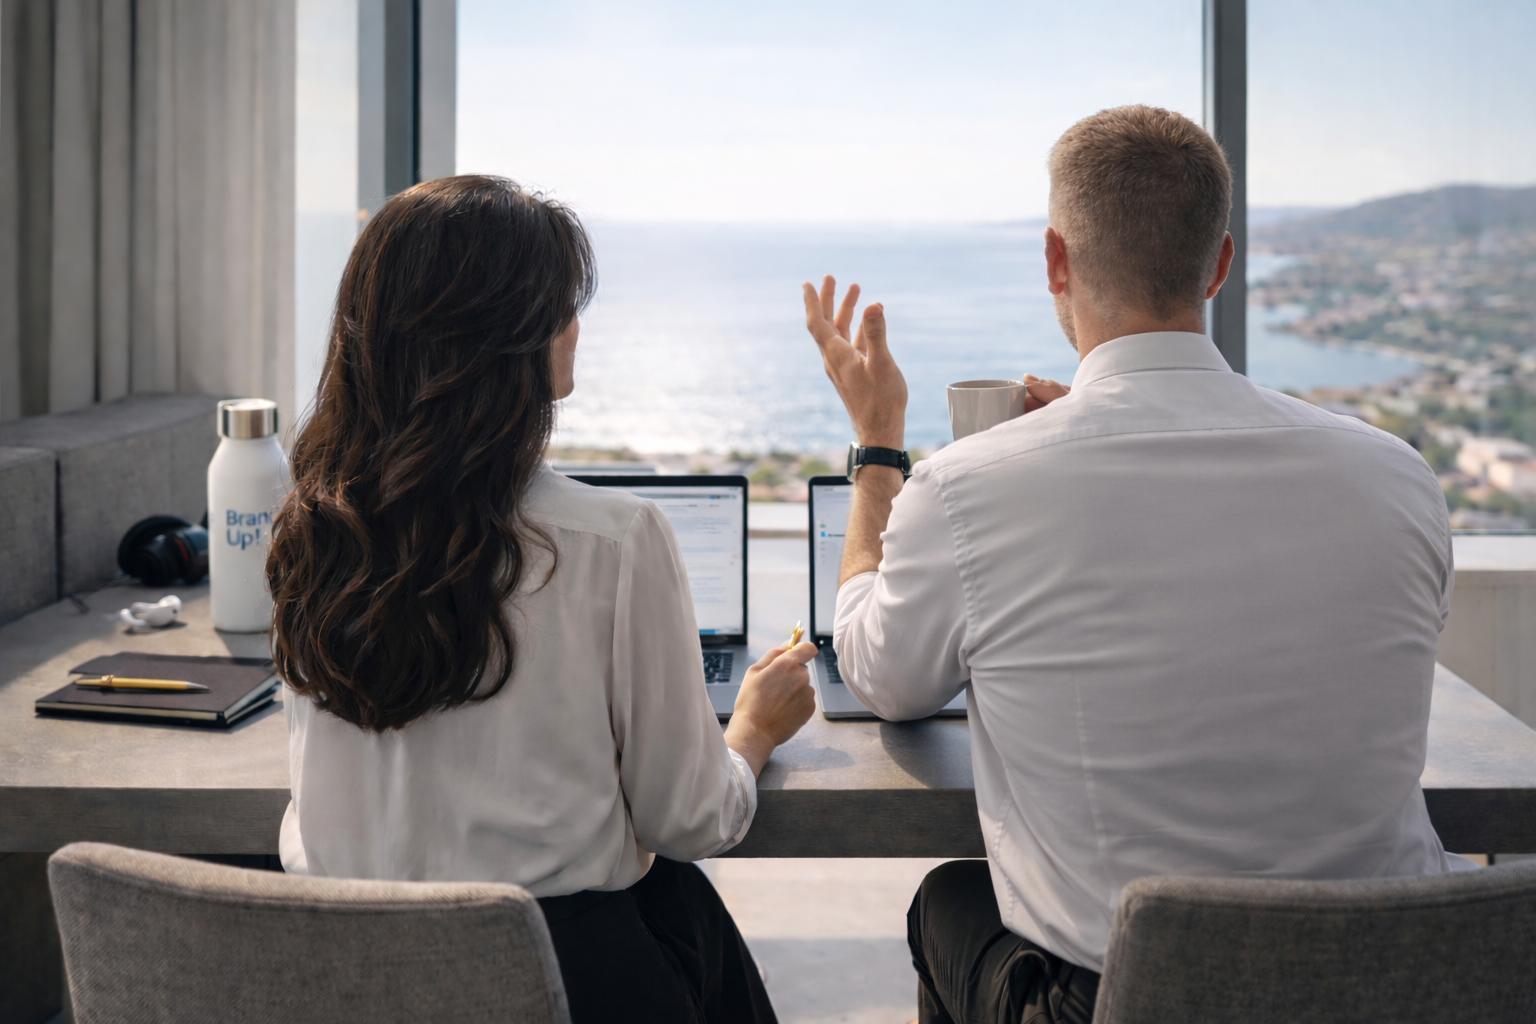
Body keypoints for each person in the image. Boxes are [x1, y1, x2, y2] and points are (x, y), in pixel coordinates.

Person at [802, 105, 1471, 1024]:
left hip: (1123, 1001)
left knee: (951, 901)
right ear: (1221, 263)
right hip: (1398, 987)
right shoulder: (1398, 476)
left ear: (1055, 261)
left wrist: (879, 450)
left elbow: (884, 679)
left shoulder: (969, 490)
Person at [269, 174, 816, 1024]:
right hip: (559, 985)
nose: (575, 328)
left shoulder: (313, 528)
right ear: (515, 342)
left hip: (345, 980)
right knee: (679, 902)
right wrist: (751, 731)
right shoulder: (613, 538)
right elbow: (689, 819)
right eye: (564, 307)